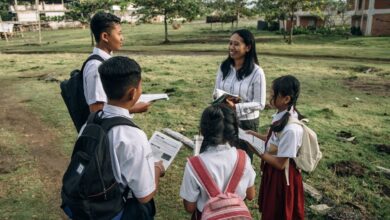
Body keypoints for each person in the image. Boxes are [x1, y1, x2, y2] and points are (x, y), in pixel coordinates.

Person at [97, 56, 165, 219]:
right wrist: (157, 169)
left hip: (94, 206)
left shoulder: (92, 120)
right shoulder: (132, 136)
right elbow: (145, 195)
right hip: (116, 211)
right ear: (133, 93)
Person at [180, 104, 256, 219]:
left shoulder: (194, 165)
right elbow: (251, 195)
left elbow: (189, 207)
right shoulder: (243, 158)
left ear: (203, 130)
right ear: (233, 129)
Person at [246, 75, 305, 220]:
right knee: (271, 210)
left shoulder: (292, 129)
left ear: (286, 99)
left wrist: (257, 151)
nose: (270, 97)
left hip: (282, 178)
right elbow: (273, 140)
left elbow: (281, 164)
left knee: (279, 212)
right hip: (272, 171)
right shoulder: (281, 114)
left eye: (273, 94)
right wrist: (253, 134)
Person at [213, 29, 266, 161]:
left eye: (236, 44)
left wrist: (236, 107)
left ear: (248, 47)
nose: (231, 47)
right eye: (230, 43)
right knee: (224, 158)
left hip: (246, 123)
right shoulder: (224, 67)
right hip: (224, 119)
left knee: (243, 161)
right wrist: (217, 99)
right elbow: (216, 91)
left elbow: (260, 103)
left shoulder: (257, 72)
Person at [84, 12, 150, 114]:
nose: (122, 38)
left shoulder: (104, 61)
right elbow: (96, 110)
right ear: (105, 36)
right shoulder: (96, 67)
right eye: (119, 33)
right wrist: (133, 108)